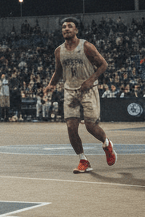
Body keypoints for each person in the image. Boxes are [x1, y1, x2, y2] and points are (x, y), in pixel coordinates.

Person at [44, 18, 116, 173]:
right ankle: (83, 160)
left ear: (76, 30)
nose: (66, 29)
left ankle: (106, 144)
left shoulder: (86, 46)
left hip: (88, 90)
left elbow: (104, 64)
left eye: (70, 26)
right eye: (63, 27)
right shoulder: (59, 51)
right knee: (71, 127)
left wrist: (90, 80)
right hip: (70, 91)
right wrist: (52, 84)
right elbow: (58, 71)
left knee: (91, 126)